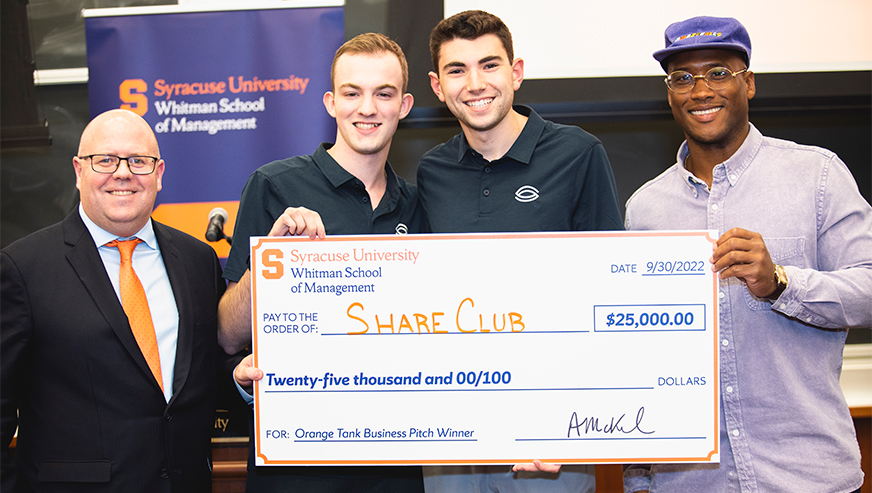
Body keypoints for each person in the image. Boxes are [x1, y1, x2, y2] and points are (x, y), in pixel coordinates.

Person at [623, 16, 871, 493]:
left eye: (718, 72)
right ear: (669, 92)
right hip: (690, 482)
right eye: (682, 78)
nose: (700, 90)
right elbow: (641, 354)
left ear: (749, 83)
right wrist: (639, 480)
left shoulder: (816, 176)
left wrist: (781, 281)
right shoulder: (645, 208)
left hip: (807, 477)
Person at [417, 10, 624, 493]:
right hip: (453, 436)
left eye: (489, 65)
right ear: (436, 85)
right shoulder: (432, 171)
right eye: (456, 70)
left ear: (516, 72)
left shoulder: (578, 153)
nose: (474, 83)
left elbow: (611, 294)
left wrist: (576, 426)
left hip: (549, 436)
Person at [217, 33, 427, 492]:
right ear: (331, 102)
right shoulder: (274, 186)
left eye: (383, 94)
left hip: (396, 462)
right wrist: (272, 260)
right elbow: (228, 332)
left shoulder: (418, 206)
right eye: (352, 93)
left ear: (405, 105)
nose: (366, 108)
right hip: (298, 466)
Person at [0, 109, 226, 492]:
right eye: (105, 160)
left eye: (139, 161)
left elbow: (208, 372)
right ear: (78, 170)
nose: (123, 173)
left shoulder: (198, 259)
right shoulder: (22, 267)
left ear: (159, 173)